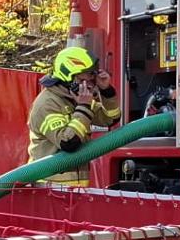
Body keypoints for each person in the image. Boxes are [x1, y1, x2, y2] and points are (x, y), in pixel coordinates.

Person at [27, 47, 120, 186]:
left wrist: (106, 90)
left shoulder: (75, 98)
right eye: (85, 78)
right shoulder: (47, 104)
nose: (90, 84)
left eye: (92, 77)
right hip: (48, 191)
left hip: (75, 192)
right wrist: (83, 108)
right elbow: (68, 142)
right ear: (69, 77)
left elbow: (110, 118)